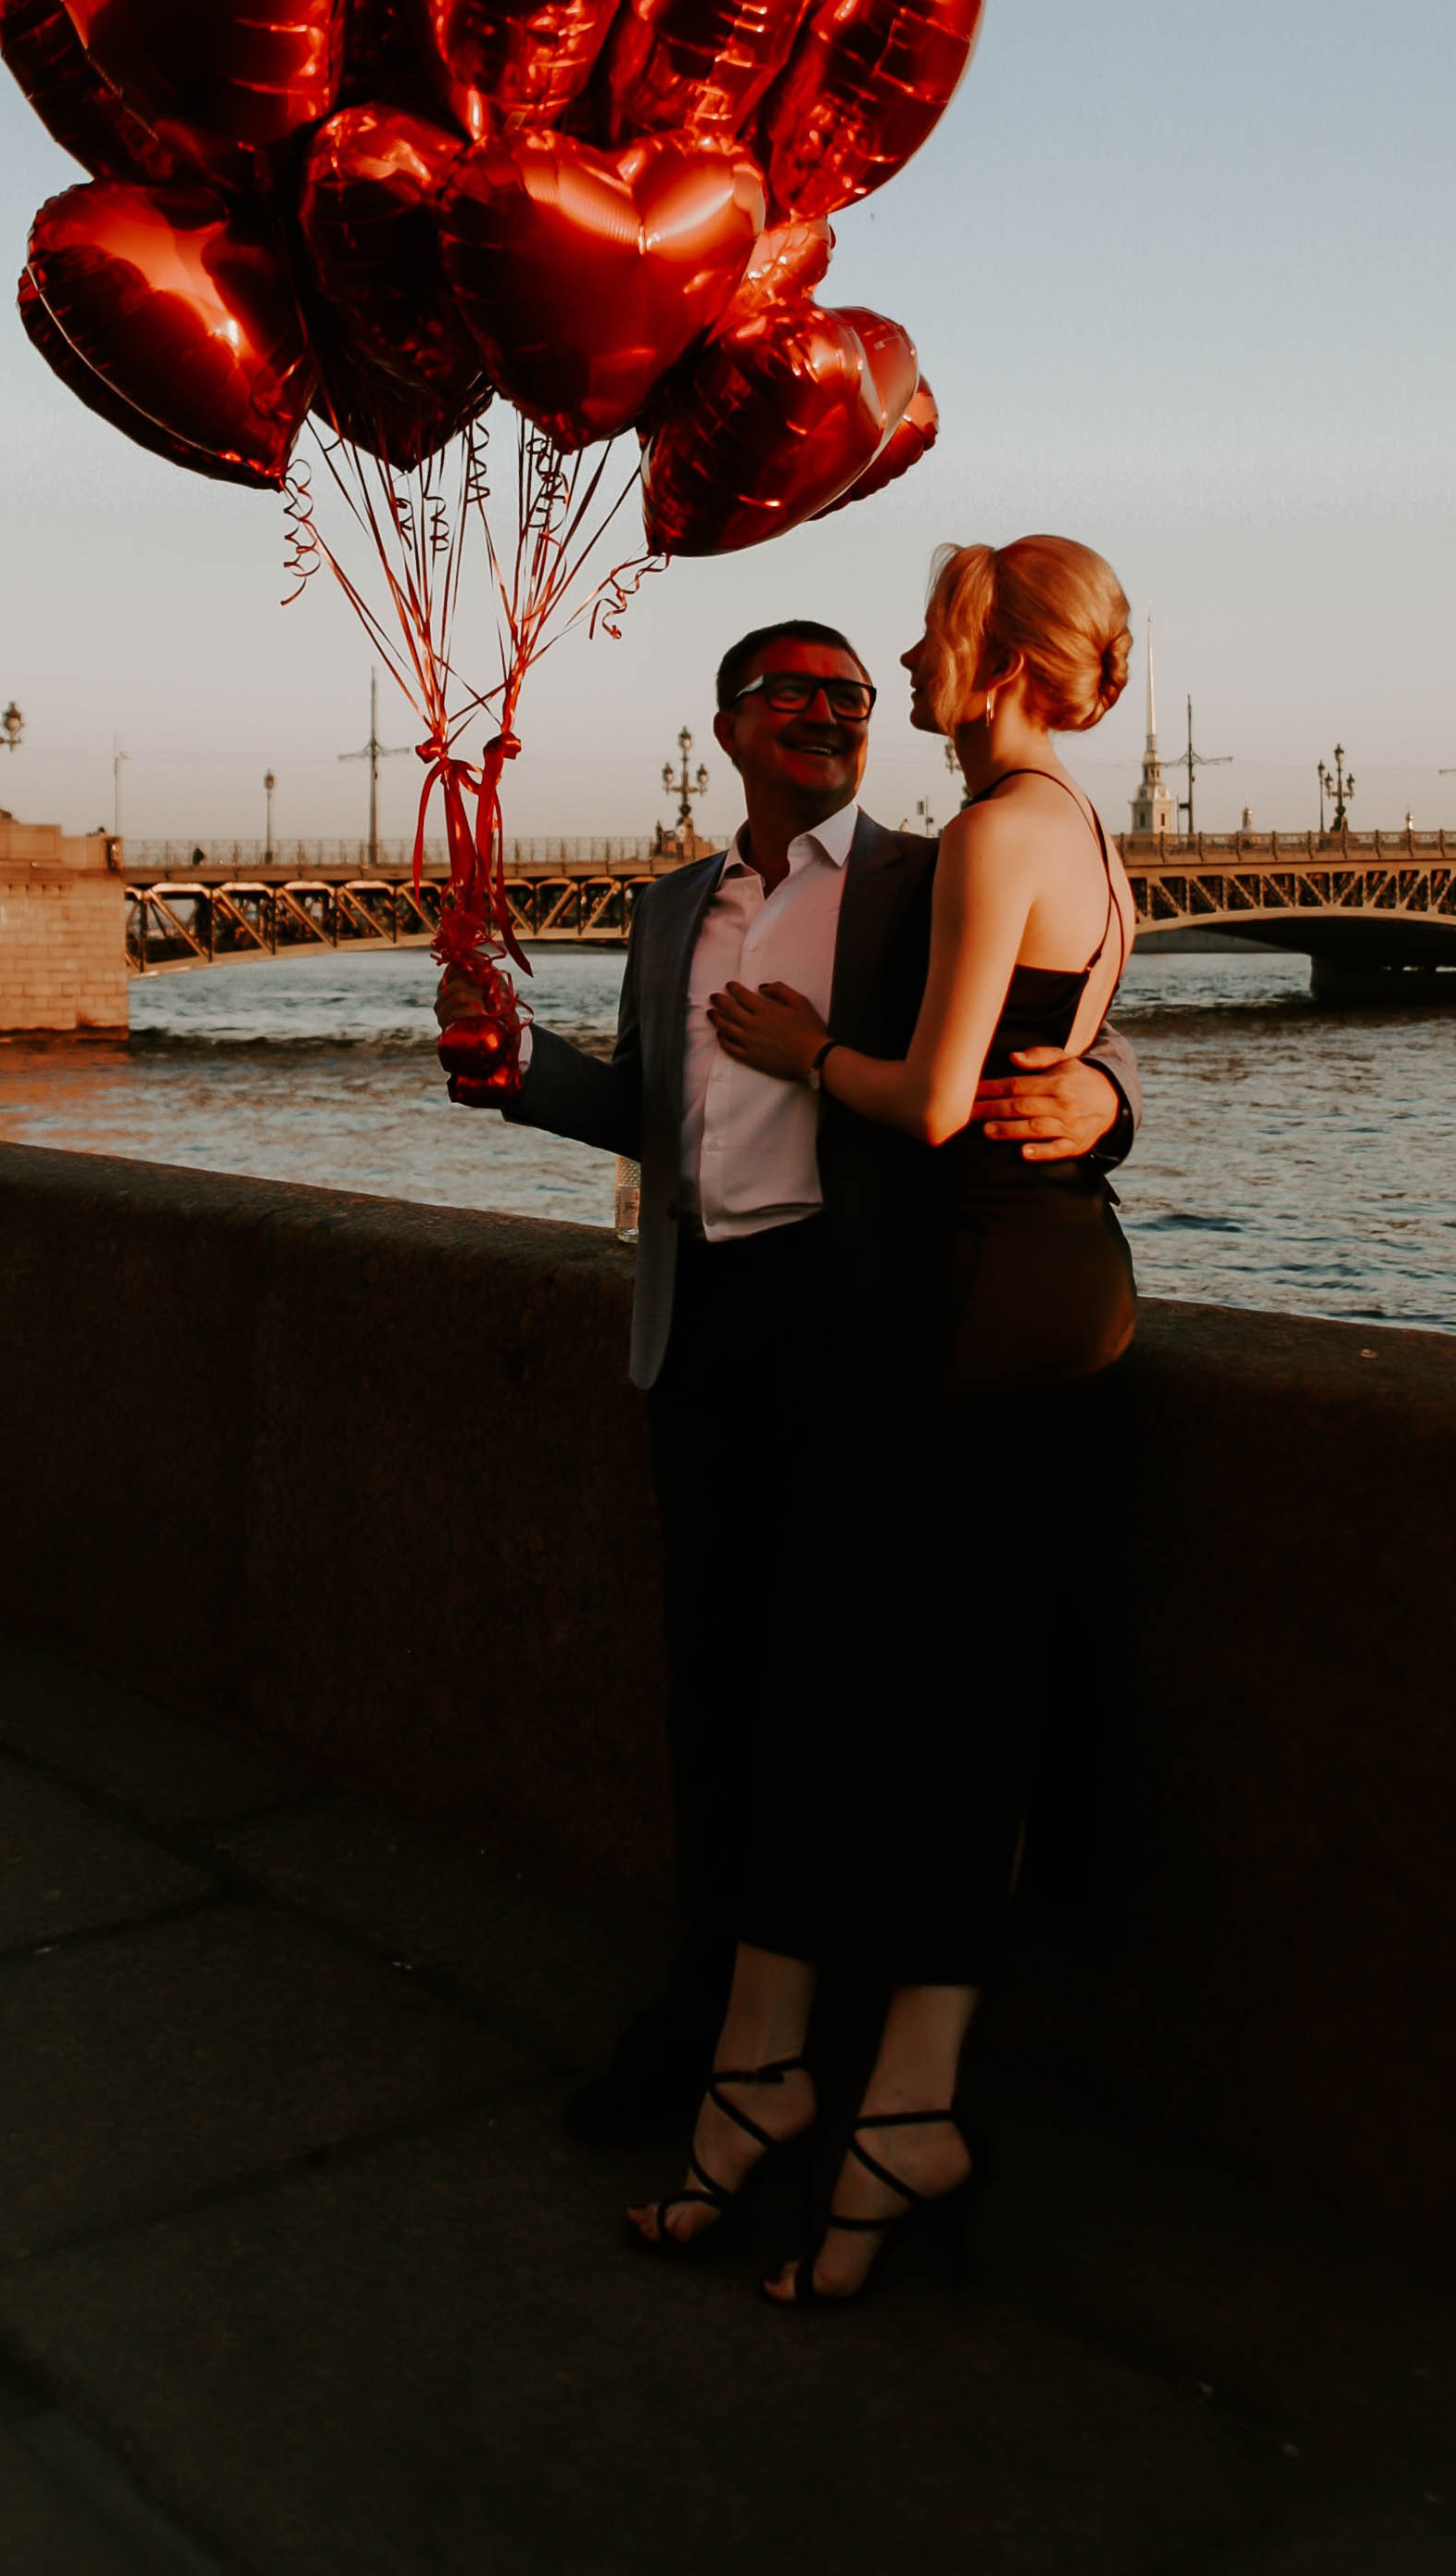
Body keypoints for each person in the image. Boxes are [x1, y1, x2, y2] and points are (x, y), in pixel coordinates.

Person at [435, 616, 1141, 2142]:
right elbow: (651, 1109)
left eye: (852, 697)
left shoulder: (922, 871)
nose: (829, 715)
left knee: (841, 1694)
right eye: (794, 694)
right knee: (715, 1676)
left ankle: (810, 2034)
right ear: (728, 727)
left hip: (855, 1323)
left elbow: (1068, 1010)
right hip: (700, 1324)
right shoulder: (671, 908)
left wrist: (1101, 1097)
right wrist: (519, 1072)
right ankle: (712, 2001)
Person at [626, 537, 1140, 2304]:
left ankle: (784, 2080)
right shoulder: (1077, 832)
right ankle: (872, 2098)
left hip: (964, 1311)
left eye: (920, 644)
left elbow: (936, 1099)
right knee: (941, 1712)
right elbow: (1052, 1035)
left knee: (867, 1702)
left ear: (1002, 658)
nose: (897, 673)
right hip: (1022, 1288)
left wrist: (802, 1053)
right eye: (816, 684)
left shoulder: (978, 837)